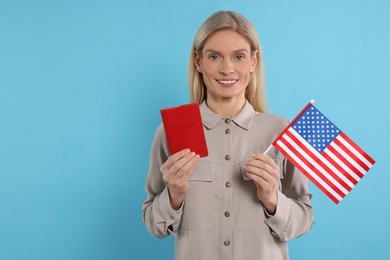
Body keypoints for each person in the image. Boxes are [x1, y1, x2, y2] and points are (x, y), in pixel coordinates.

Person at [142, 10, 314, 260]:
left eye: (239, 57)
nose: (227, 69)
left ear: (253, 61)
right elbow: (153, 224)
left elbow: (304, 220)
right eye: (214, 57)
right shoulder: (171, 131)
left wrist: (271, 199)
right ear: (198, 62)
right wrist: (174, 194)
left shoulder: (282, 132)